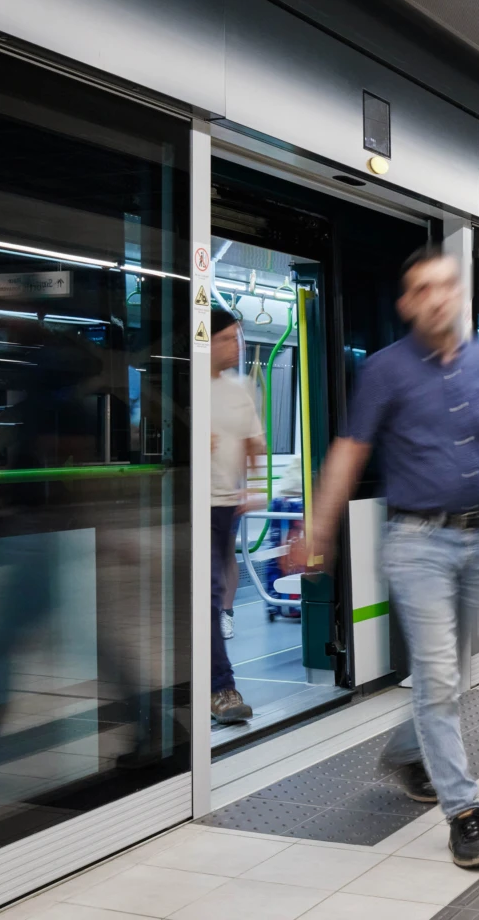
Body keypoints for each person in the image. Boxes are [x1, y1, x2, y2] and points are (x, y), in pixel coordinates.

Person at [291, 248, 479, 869]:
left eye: (447, 285)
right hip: (417, 543)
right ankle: (464, 813)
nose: (439, 296)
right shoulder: (385, 371)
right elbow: (349, 450)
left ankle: (407, 752)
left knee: (456, 675)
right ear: (408, 304)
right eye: (425, 288)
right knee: (439, 677)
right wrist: (319, 529)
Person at [210, 308, 263, 725]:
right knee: (208, 591)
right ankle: (221, 688)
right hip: (192, 504)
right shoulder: (184, 387)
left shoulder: (240, 388)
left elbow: (253, 443)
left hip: (226, 501)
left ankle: (216, 683)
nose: (237, 346)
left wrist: (255, 488)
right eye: (228, 338)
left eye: (238, 338)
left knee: (216, 583)